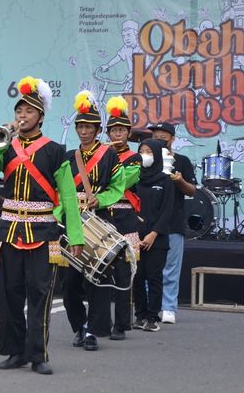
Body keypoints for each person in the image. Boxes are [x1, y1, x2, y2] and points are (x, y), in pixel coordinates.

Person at [0, 76, 83, 376]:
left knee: (40, 295)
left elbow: (68, 197)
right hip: (10, 231)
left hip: (42, 232)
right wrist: (2, 136)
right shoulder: (6, 146)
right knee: (9, 294)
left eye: (28, 112)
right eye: (18, 111)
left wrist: (75, 235)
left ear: (41, 116)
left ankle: (38, 354)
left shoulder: (54, 151)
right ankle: (14, 351)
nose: (22, 116)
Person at [62, 91, 124, 352]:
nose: (83, 131)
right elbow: (60, 190)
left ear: (98, 129)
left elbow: (118, 186)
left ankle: (93, 333)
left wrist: (102, 199)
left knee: (97, 279)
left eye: (88, 127)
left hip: (98, 221)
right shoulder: (68, 156)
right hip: (73, 222)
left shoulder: (109, 155)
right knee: (70, 285)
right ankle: (79, 326)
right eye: (80, 126)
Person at [148, 122, 197, 325]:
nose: (160, 140)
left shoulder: (182, 161)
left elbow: (192, 191)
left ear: (172, 139)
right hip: (149, 223)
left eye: (163, 137)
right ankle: (149, 307)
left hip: (173, 222)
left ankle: (168, 307)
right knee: (148, 268)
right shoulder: (146, 161)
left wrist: (179, 181)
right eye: (156, 137)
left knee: (170, 267)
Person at [104, 96, 142, 341]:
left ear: (128, 133)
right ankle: (100, 321)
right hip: (103, 218)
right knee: (99, 272)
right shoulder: (99, 155)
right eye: (113, 130)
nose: (117, 134)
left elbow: (123, 183)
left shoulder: (135, 158)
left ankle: (121, 323)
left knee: (123, 272)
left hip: (125, 217)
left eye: (121, 130)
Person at [132, 138, 174, 332]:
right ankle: (139, 315)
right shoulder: (134, 177)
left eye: (149, 151)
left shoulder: (165, 180)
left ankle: (152, 317)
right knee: (137, 276)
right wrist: (136, 234)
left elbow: (167, 210)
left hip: (157, 238)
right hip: (135, 236)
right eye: (142, 150)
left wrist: (153, 234)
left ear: (157, 154)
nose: (145, 154)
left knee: (153, 276)